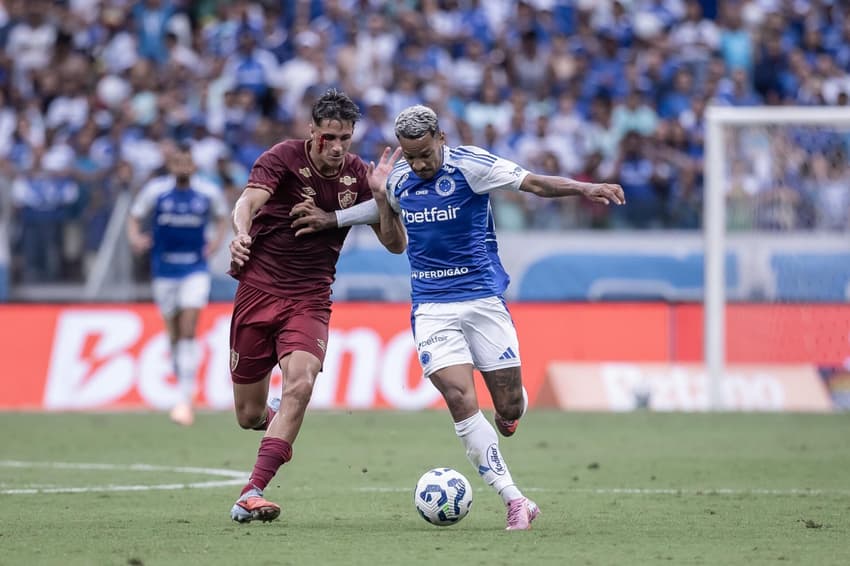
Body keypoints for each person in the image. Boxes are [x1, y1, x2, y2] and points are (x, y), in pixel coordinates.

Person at [291, 105, 625, 531]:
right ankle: (515, 499)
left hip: (483, 300)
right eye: (411, 157)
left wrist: (585, 188)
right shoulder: (397, 179)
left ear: (441, 139)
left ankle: (509, 410)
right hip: (431, 307)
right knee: (460, 399)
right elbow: (385, 218)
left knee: (509, 405)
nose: (419, 164)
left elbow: (534, 183)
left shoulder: (471, 166)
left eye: (425, 154)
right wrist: (339, 215)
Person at [226, 89, 405, 523]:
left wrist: (381, 197)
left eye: (345, 137)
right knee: (249, 415)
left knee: (301, 384)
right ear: (312, 132)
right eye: (329, 137)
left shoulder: (360, 175)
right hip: (258, 291)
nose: (338, 146)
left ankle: (252, 490)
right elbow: (248, 201)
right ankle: (278, 426)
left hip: (310, 298)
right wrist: (240, 234)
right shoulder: (282, 158)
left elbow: (396, 246)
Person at [127, 142, 229, 426]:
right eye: (178, 162)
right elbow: (134, 217)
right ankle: (184, 387)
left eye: (187, 162)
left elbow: (223, 217)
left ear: (193, 166)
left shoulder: (207, 192)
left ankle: (186, 399)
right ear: (171, 166)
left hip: (195, 269)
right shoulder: (156, 191)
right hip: (163, 270)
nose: (183, 167)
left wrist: (216, 242)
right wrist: (136, 238)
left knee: (188, 328)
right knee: (173, 334)